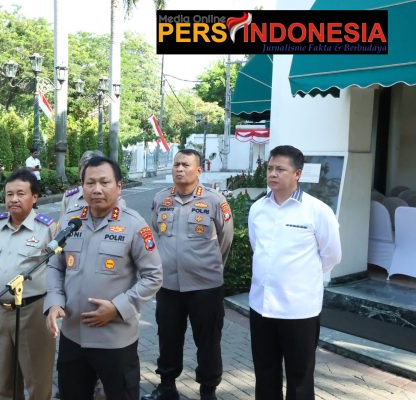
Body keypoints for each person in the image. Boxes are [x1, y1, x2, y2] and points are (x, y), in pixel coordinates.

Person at [45, 156, 163, 400]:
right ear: (82, 186)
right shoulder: (70, 221)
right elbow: (55, 265)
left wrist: (118, 308)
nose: (96, 189)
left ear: (119, 186)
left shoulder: (135, 225)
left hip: (115, 339)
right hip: (73, 336)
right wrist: (54, 302)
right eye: (90, 183)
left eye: (104, 182)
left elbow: (153, 276)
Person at [248, 145, 342, 400]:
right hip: (261, 307)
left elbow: (332, 255)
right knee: (265, 374)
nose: (272, 174)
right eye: (270, 168)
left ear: (297, 174)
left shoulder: (317, 211)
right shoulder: (258, 209)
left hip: (299, 310)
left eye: (280, 169)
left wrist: (302, 277)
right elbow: (258, 247)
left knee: (300, 379)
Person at [143, 149, 233, 400]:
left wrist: (209, 267)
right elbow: (156, 231)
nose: (179, 169)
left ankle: (208, 390)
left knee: (208, 341)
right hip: (169, 285)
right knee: (168, 337)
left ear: (199, 170)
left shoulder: (215, 201)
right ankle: (167, 386)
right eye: (176, 164)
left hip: (205, 287)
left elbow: (225, 239)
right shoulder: (161, 198)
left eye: (185, 165)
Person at [0, 169, 57, 400]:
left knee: (37, 381)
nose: (13, 199)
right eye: (9, 194)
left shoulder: (47, 228)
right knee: (5, 379)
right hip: (1, 311)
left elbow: (59, 270)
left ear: (34, 197)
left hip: (33, 311)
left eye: (20, 193)